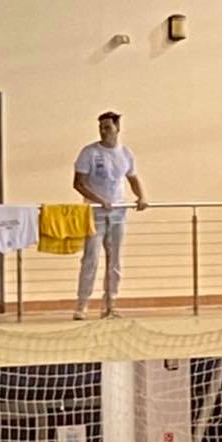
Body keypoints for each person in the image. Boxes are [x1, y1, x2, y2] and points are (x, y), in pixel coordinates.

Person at [72, 110, 148, 320]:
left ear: (117, 128)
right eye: (101, 128)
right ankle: (82, 304)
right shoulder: (89, 152)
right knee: (91, 258)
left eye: (107, 127)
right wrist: (98, 200)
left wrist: (141, 196)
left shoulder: (126, 153)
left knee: (114, 260)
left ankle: (110, 304)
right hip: (95, 213)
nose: (104, 132)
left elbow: (132, 178)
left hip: (118, 213)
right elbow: (78, 183)